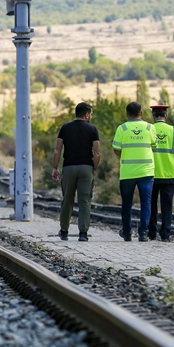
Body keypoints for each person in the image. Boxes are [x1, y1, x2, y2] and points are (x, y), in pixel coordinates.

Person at [51, 102, 101, 242]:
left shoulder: (65, 128)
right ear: (86, 114)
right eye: (90, 114)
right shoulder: (92, 129)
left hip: (69, 167)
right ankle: (83, 233)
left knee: (67, 199)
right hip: (86, 168)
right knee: (85, 200)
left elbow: (57, 149)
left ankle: (64, 231)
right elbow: (97, 152)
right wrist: (94, 167)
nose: (90, 116)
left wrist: (55, 167)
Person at [112, 101, 157, 242]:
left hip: (127, 173)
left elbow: (116, 150)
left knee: (126, 204)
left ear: (127, 114)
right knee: (146, 203)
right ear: (141, 113)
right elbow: (153, 145)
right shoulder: (150, 128)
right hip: (146, 172)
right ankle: (143, 233)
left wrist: (127, 155)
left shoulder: (122, 129)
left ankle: (127, 232)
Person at [149, 104, 174, 242]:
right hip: (169, 173)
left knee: (151, 204)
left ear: (153, 116)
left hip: (151, 174)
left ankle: (151, 233)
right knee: (167, 205)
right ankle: (165, 234)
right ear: (166, 116)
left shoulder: (149, 130)